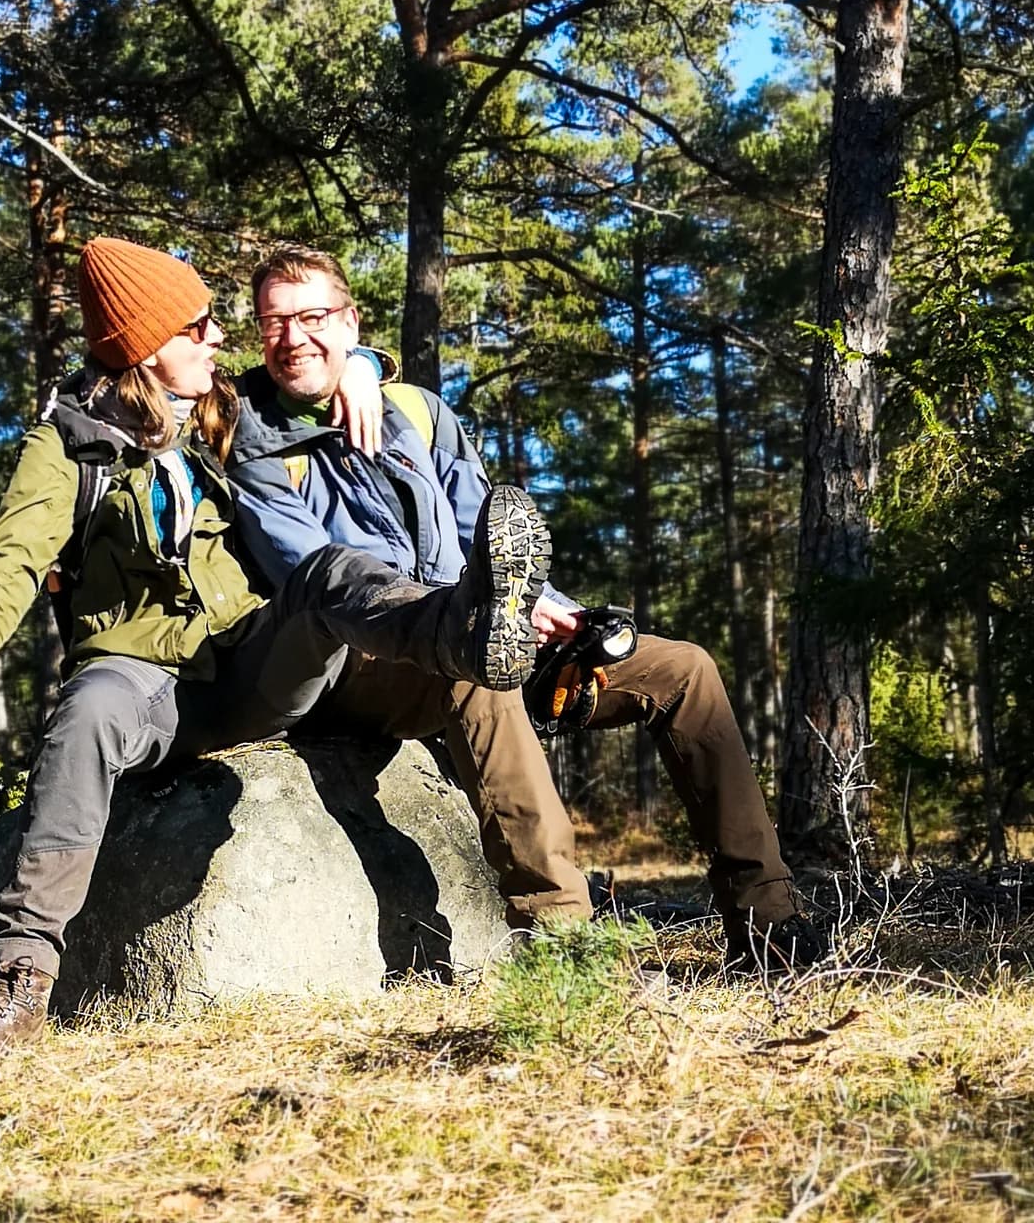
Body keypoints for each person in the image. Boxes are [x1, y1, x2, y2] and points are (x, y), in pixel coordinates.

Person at [0, 237, 554, 1061]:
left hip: (256, 660)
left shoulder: (229, 407)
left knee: (330, 572)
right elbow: (4, 575)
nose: (223, 336)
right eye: (200, 324)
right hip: (144, 678)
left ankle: (466, 632)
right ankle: (18, 983)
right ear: (148, 348)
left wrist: (364, 363)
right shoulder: (67, 449)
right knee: (86, 712)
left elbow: (321, 358)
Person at [226, 245, 822, 974]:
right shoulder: (253, 446)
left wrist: (554, 613)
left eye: (312, 316)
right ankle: (563, 946)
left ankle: (770, 924)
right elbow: (317, 583)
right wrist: (460, 619)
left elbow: (489, 530)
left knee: (684, 672)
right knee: (474, 664)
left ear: (351, 322)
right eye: (273, 322)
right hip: (365, 662)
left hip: (483, 628)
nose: (292, 338)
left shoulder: (418, 412)